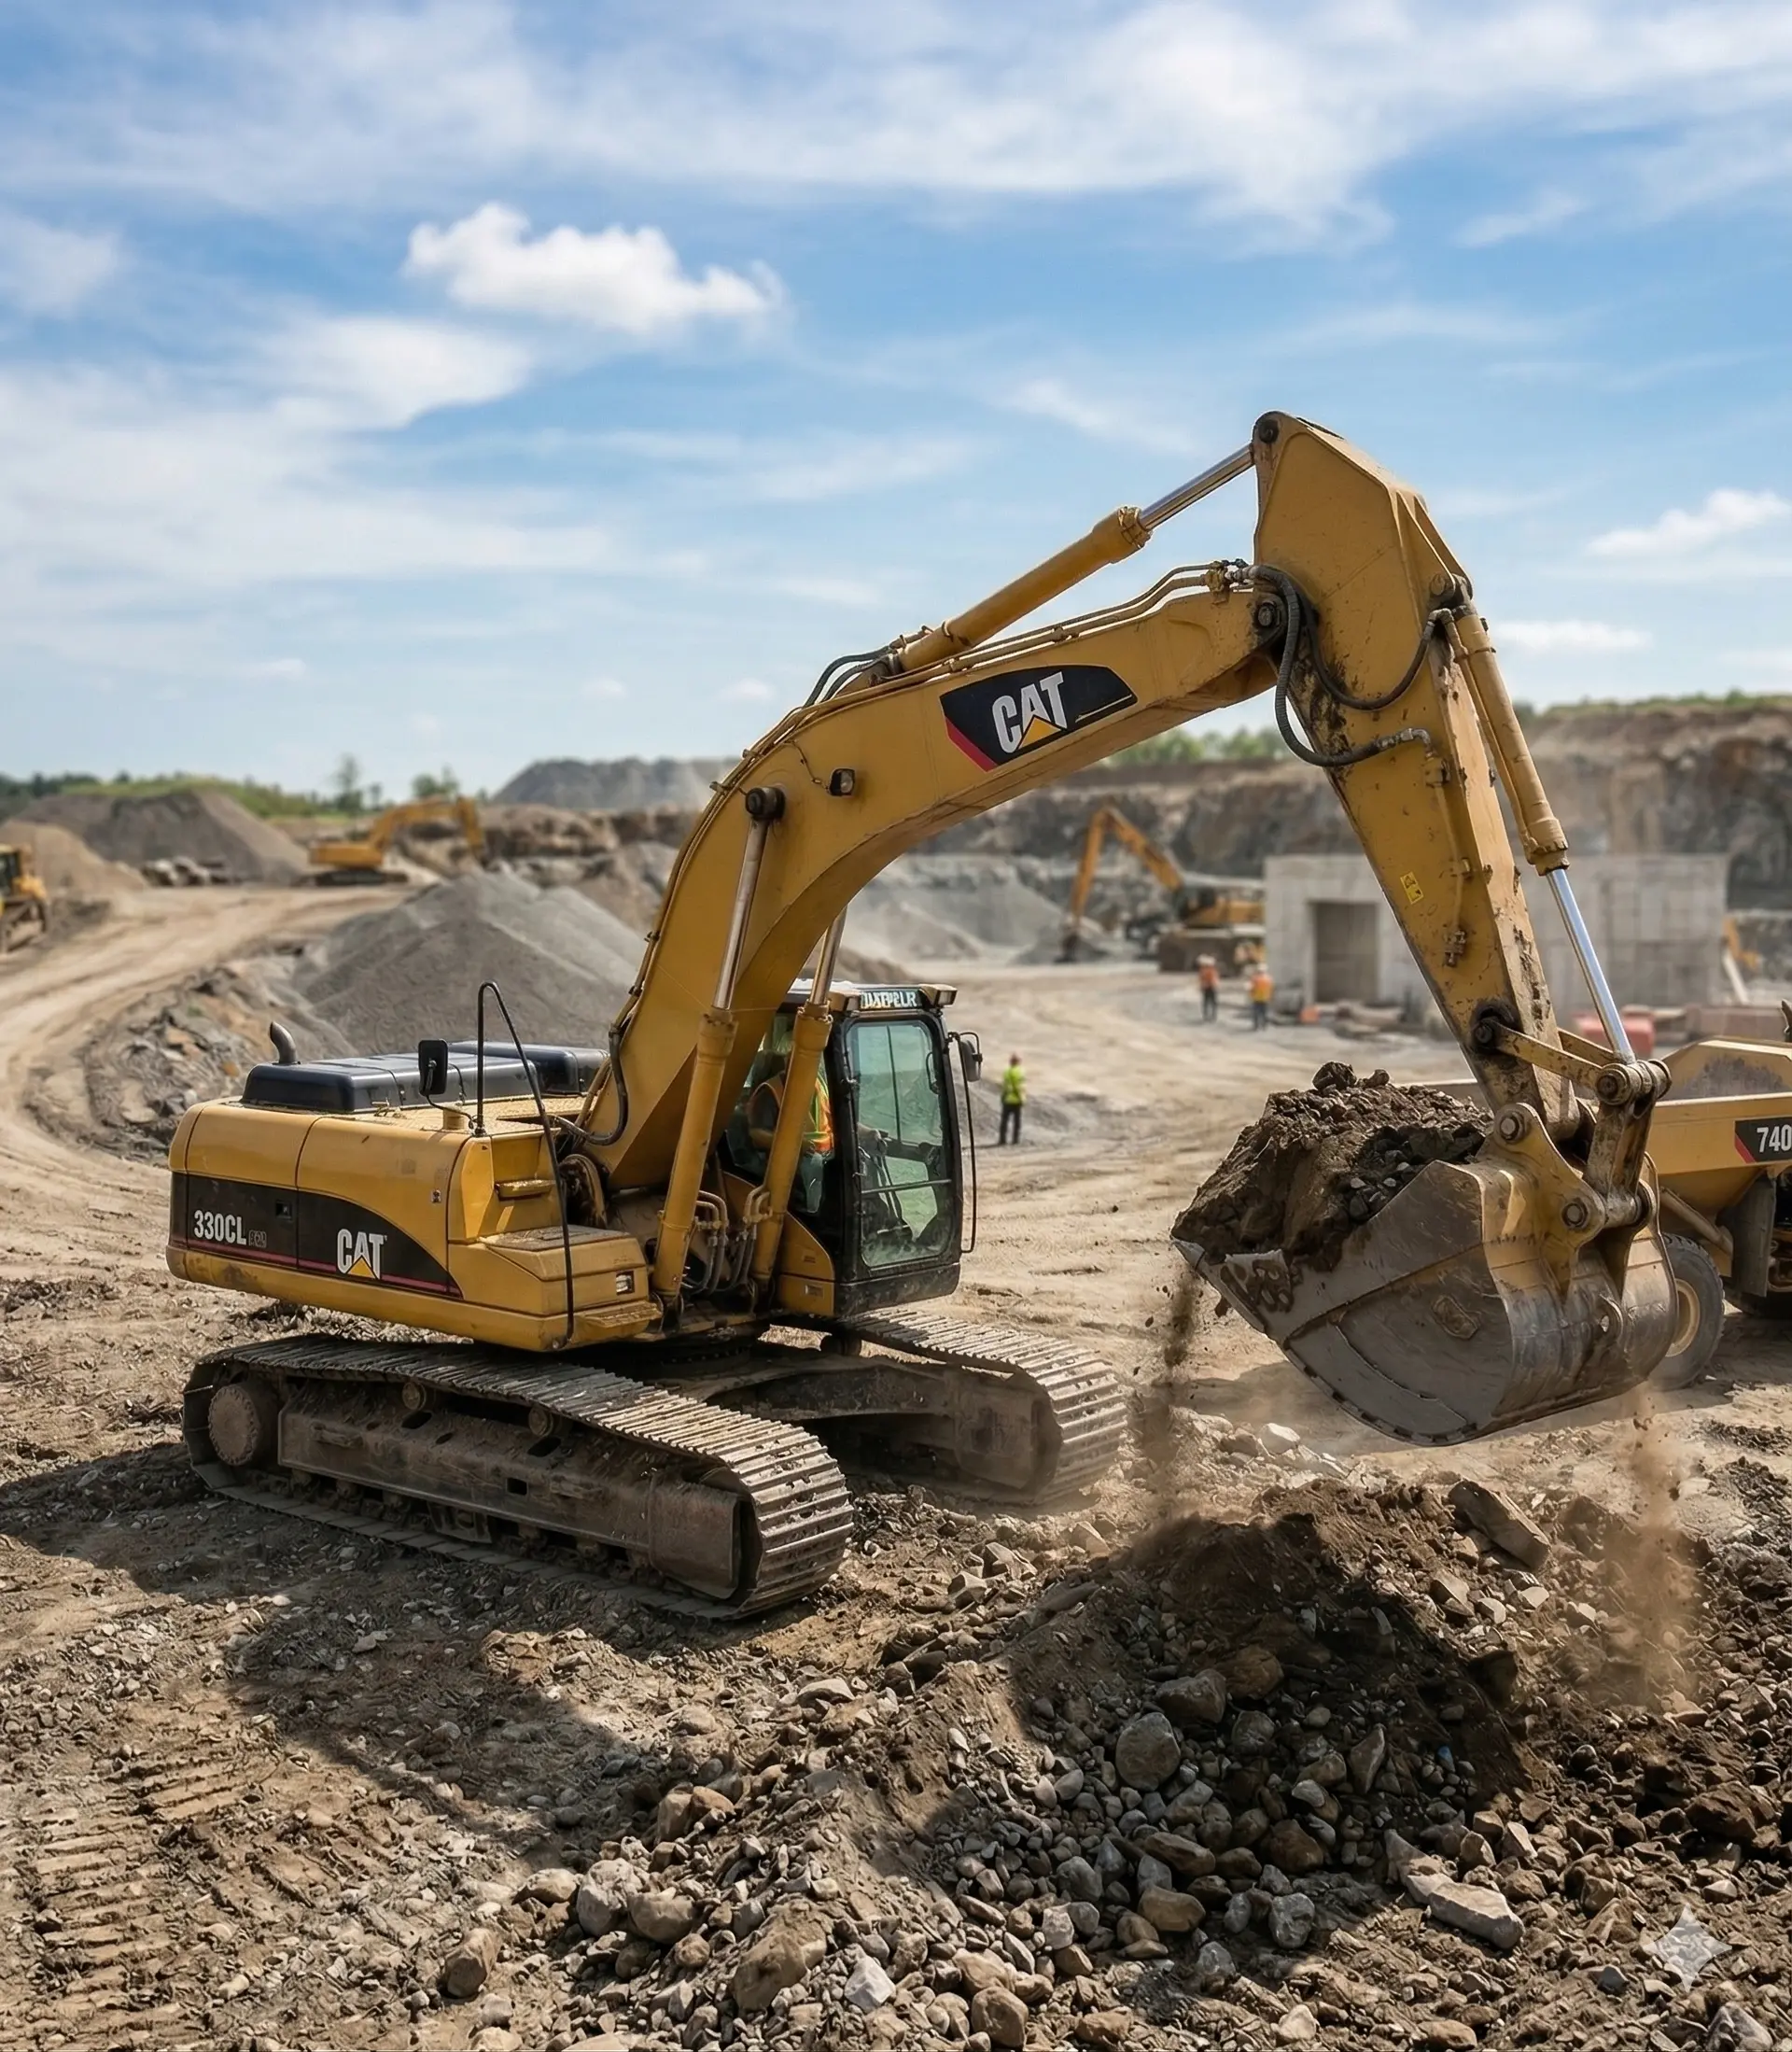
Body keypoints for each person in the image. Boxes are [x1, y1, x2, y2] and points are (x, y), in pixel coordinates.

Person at [998, 1052, 1026, 1145]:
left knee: (1004, 1121)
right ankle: (1015, 1140)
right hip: (1016, 1100)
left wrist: (1003, 1097)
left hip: (1007, 1100)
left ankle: (1002, 1140)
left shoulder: (1007, 1071)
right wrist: (1021, 1098)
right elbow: (1018, 1086)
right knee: (1016, 1122)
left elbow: (1005, 1086)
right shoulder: (1019, 1071)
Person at [1248, 962, 1275, 1031]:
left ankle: (1256, 1026)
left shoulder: (1255, 978)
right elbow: (1271, 989)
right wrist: (1271, 997)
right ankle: (1264, 1026)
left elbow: (1251, 988)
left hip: (1257, 998)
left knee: (1256, 1013)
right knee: (1264, 1013)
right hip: (1265, 998)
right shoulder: (1269, 978)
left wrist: (1250, 995)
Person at [1197, 953, 1220, 1022]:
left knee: (1209, 1002)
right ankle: (1210, 1016)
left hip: (1210, 987)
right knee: (1210, 1002)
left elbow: (1211, 979)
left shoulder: (1208, 971)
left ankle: (1210, 1016)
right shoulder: (1209, 970)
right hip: (1209, 987)